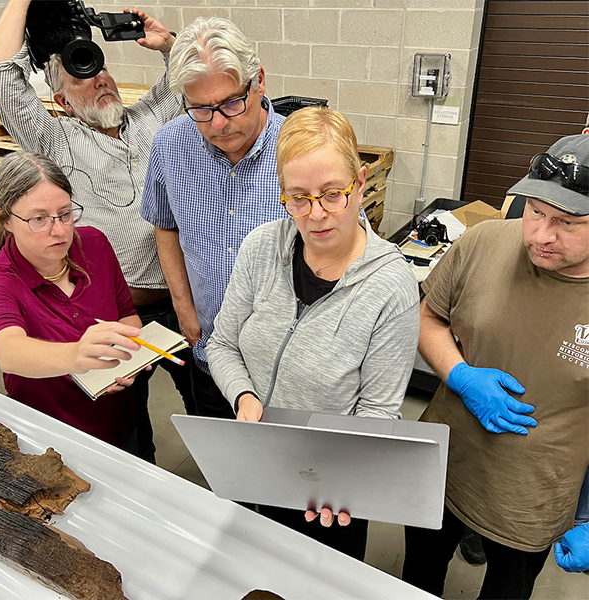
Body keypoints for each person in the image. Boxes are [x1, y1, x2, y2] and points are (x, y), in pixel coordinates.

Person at [205, 106, 420, 560]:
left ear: (361, 182)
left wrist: (337, 479)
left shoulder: (391, 286)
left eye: (332, 194)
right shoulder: (262, 246)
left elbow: (379, 411)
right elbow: (222, 345)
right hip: (256, 458)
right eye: (298, 198)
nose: (317, 215)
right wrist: (245, 398)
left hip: (325, 485)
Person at [0, 0, 186, 464]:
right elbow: (0, 76)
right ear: (60, 100)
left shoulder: (150, 120)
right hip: (118, 316)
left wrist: (167, 43)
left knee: (206, 404)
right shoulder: (56, 141)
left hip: (180, 305)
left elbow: (186, 80)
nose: (98, 78)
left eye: (99, 69)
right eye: (80, 76)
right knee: (125, 416)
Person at [401, 133, 589, 600]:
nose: (541, 234)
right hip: (444, 468)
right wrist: (460, 375)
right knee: (416, 578)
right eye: (536, 211)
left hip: (531, 502)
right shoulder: (483, 242)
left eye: (567, 222)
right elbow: (428, 318)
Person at [141, 17, 287, 419]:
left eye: (229, 103)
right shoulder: (170, 144)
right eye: (201, 109)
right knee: (222, 470)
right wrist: (183, 306)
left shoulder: (302, 150)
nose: (218, 124)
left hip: (285, 368)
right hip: (209, 351)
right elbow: (164, 223)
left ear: (258, 81)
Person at [0, 152, 145, 453]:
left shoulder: (95, 244)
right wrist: (76, 354)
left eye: (65, 213)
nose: (59, 230)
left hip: (123, 421)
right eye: (39, 219)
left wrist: (130, 361)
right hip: (54, 441)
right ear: (6, 219)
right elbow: (8, 349)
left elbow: (127, 316)